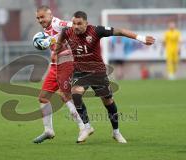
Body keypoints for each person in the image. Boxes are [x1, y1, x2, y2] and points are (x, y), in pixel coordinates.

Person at [56, 11, 155, 143]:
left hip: (98, 72)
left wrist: (141, 38)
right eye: (74, 23)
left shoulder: (96, 31)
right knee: (76, 95)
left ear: (86, 23)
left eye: (79, 23)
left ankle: (116, 132)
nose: (76, 26)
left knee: (108, 102)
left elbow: (120, 31)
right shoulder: (67, 31)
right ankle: (87, 127)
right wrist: (56, 50)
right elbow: (61, 37)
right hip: (80, 71)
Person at [33, 6, 94, 143]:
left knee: (64, 94)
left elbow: (73, 26)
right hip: (55, 66)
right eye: (38, 18)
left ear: (50, 15)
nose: (40, 20)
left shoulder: (57, 23)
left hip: (67, 62)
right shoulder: (45, 30)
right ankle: (48, 130)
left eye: (42, 17)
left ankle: (84, 127)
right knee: (43, 97)